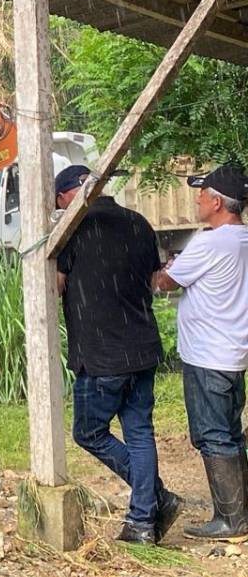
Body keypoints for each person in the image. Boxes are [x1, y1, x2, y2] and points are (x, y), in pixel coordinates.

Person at [55, 164, 180, 544]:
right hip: (141, 347)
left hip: (101, 355)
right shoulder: (138, 222)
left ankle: (155, 496)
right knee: (139, 433)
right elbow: (152, 280)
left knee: (89, 432)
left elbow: (56, 286)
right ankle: (142, 523)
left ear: (65, 196)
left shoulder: (72, 229)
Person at [154, 162, 248, 542]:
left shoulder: (210, 242)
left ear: (217, 202)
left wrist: (164, 270)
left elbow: (164, 282)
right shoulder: (243, 240)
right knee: (230, 433)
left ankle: (231, 520)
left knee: (212, 435)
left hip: (208, 355)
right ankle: (240, 512)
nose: (197, 199)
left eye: (202, 193)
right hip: (234, 351)